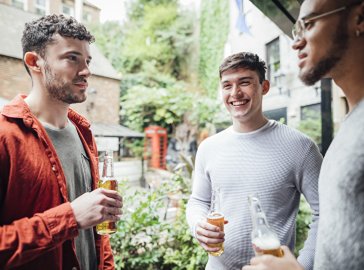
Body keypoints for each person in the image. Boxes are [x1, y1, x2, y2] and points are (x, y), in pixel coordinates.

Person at [243, 0, 364, 270]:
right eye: (296, 30)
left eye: (308, 24)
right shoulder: (351, 126)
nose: (296, 43)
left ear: (359, 18)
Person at [0, 14, 123, 269]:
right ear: (35, 62)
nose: (87, 70)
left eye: (87, 60)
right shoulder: (5, 136)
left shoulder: (83, 132)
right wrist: (71, 217)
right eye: (72, 58)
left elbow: (99, 233)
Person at [186, 52, 323, 270]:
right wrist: (198, 225)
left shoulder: (301, 147)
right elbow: (198, 202)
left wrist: (302, 266)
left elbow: (324, 213)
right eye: (227, 85)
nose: (235, 93)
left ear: (264, 86)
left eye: (245, 82)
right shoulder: (208, 148)